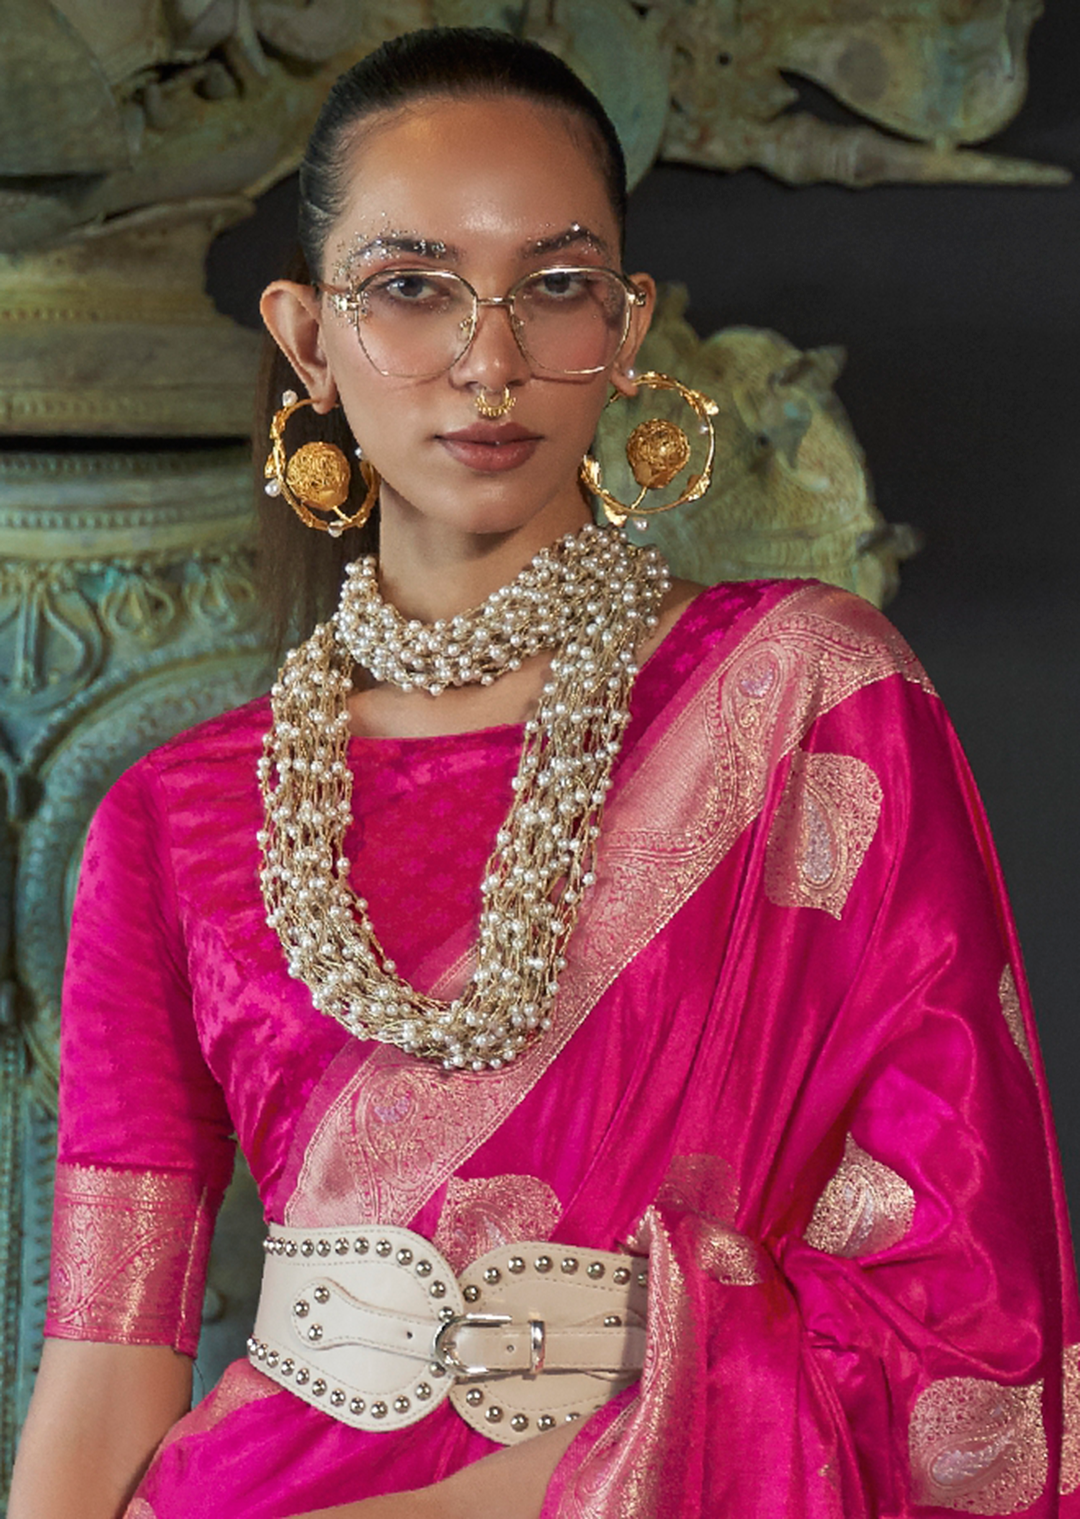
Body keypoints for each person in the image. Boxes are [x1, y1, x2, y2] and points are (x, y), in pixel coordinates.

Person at [9, 25, 1080, 1519]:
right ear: (308, 337)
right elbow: (102, 1366)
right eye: (410, 289)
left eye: (556, 287)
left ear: (628, 327)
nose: (490, 359)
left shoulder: (806, 699)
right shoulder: (176, 815)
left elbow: (962, 1305)